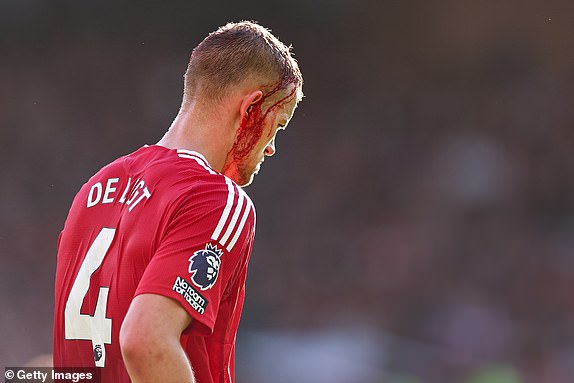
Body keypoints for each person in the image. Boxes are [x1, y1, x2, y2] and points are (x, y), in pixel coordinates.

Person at [53, 20, 303, 383]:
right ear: (250, 109)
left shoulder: (94, 189)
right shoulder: (215, 197)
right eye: (276, 125)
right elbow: (145, 342)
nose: (271, 147)